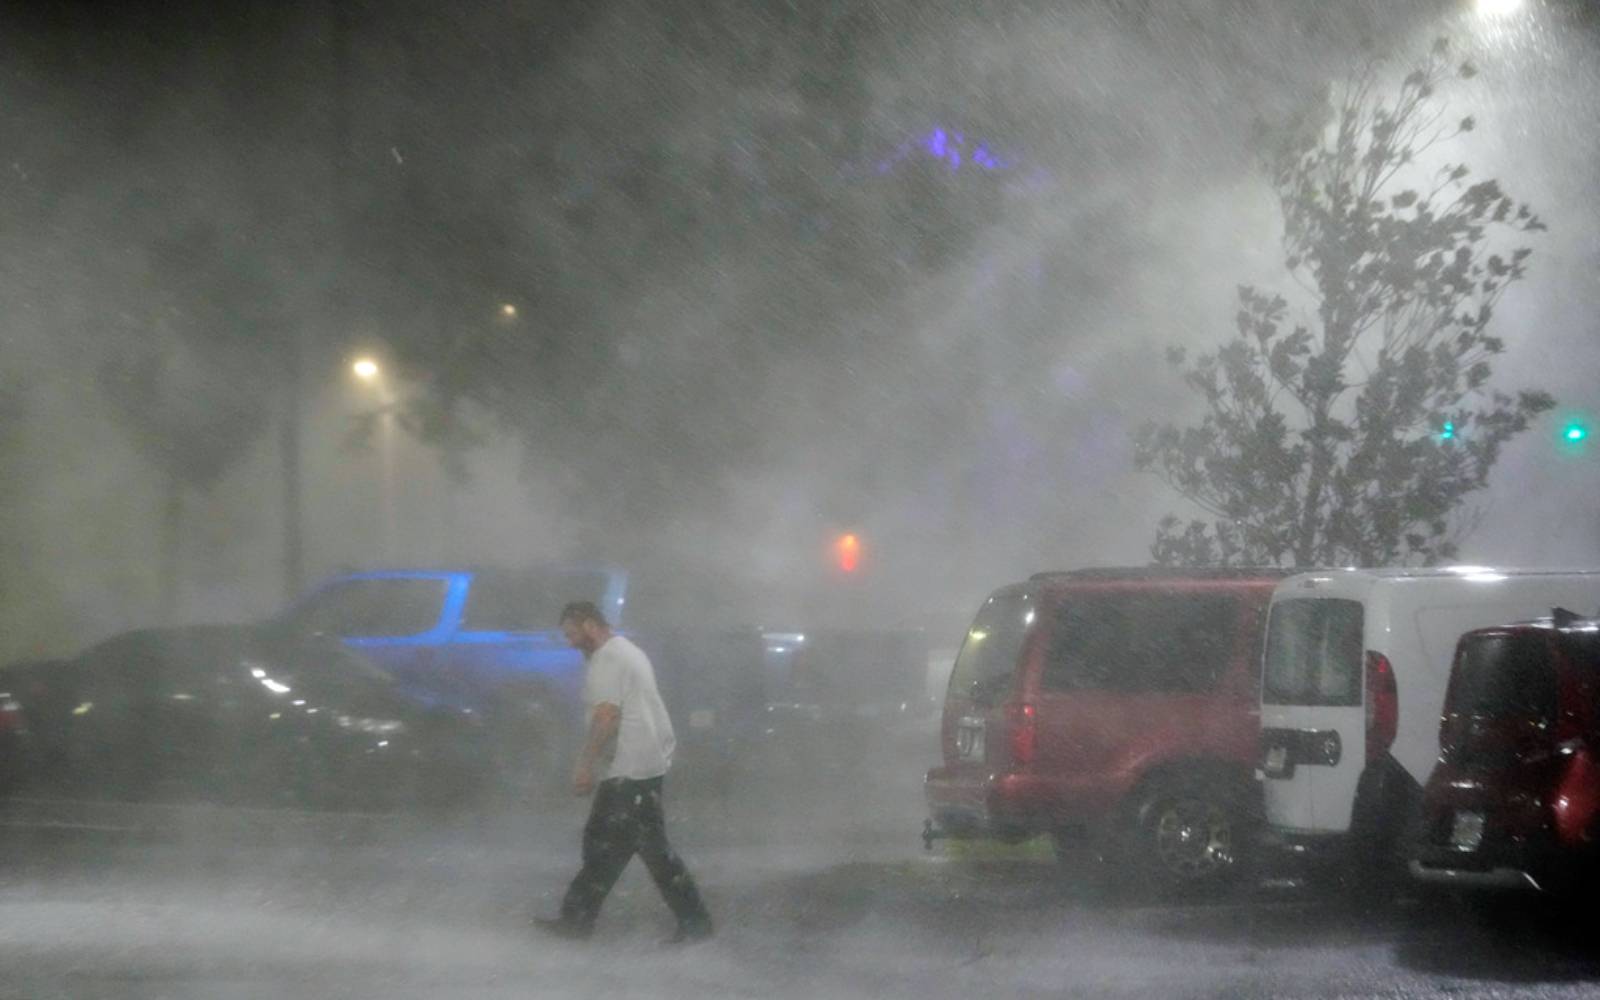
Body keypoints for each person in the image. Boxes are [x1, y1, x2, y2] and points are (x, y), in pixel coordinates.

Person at [535, 600, 714, 944]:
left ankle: (695, 925)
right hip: (638, 766)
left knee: (649, 851)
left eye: (572, 634)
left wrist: (584, 764)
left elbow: (606, 716)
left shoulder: (609, 658)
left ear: (589, 625)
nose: (570, 643)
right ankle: (577, 919)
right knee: (606, 844)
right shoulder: (627, 651)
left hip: (630, 770)